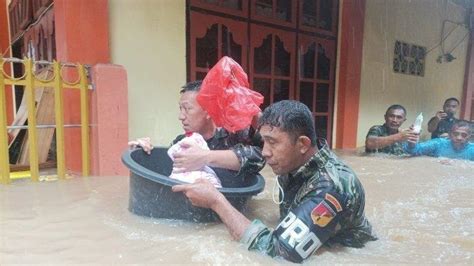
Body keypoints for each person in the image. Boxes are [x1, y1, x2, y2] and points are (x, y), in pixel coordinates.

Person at [173, 100, 377, 263]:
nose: (265, 153)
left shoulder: (331, 187)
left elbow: (278, 253)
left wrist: (216, 201)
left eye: (273, 142)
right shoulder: (295, 159)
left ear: (303, 144)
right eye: (264, 142)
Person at [129, 80, 265, 187]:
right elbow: (167, 170)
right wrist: (144, 153)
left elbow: (260, 158)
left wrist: (204, 157)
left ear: (208, 111)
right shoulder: (181, 141)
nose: (180, 116)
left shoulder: (234, 134)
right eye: (180, 109)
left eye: (187, 109)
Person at [406, 120, 473, 161]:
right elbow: (415, 151)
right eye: (455, 134)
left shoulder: (472, 149)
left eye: (464, 135)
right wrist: (411, 143)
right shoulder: (438, 143)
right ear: (449, 134)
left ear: (469, 137)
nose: (459, 138)